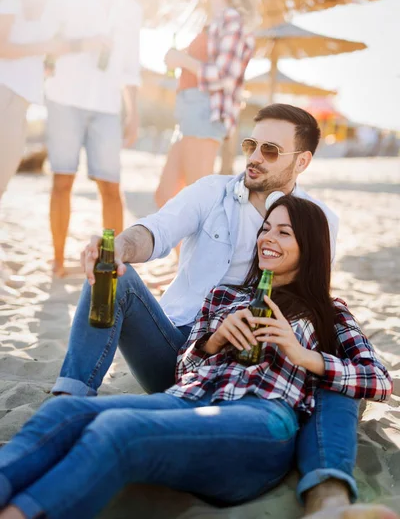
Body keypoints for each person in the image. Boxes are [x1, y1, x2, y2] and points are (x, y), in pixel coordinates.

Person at [0, 195, 394, 519]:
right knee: (60, 415)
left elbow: (378, 380)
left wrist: (301, 354)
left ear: (310, 248)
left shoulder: (328, 311)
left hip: (261, 418)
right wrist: (212, 341)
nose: (267, 238)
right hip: (186, 402)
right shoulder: (225, 296)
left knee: (118, 431)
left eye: (284, 232)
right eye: (265, 229)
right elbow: (183, 371)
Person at [0, 0, 105, 296]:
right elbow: (3, 45)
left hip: (19, 97)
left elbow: (50, 45)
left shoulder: (40, 3)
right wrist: (44, 50)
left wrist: (65, 49)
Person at [44, 0, 142, 277]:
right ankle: (58, 261)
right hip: (64, 99)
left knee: (110, 185)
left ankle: (112, 260)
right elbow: (48, 44)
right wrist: (85, 43)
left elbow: (130, 68)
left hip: (107, 107)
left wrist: (133, 114)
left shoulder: (131, 9)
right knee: (63, 181)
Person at [155, 0, 258, 208]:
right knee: (167, 195)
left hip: (205, 112)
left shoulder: (232, 20)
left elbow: (223, 76)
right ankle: (188, 250)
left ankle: (200, 250)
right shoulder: (211, 22)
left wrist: (181, 59)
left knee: (194, 202)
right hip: (190, 112)